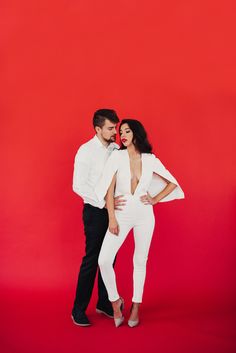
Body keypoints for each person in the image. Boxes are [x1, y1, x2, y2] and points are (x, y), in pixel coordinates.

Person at [95, 119, 185, 327]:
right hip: (122, 212)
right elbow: (109, 187)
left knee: (140, 261)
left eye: (127, 131)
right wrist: (111, 217)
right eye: (120, 131)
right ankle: (115, 301)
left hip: (145, 214)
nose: (122, 135)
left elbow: (172, 183)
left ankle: (136, 305)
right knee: (104, 260)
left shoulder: (150, 159)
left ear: (136, 133)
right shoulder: (116, 156)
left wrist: (154, 199)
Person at [71, 109, 127, 326]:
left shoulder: (115, 149)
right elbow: (78, 185)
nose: (116, 132)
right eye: (111, 128)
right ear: (98, 129)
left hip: (115, 212)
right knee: (93, 259)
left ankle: (104, 302)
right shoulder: (85, 151)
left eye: (116, 127)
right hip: (95, 212)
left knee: (109, 259)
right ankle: (78, 309)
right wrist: (105, 203)